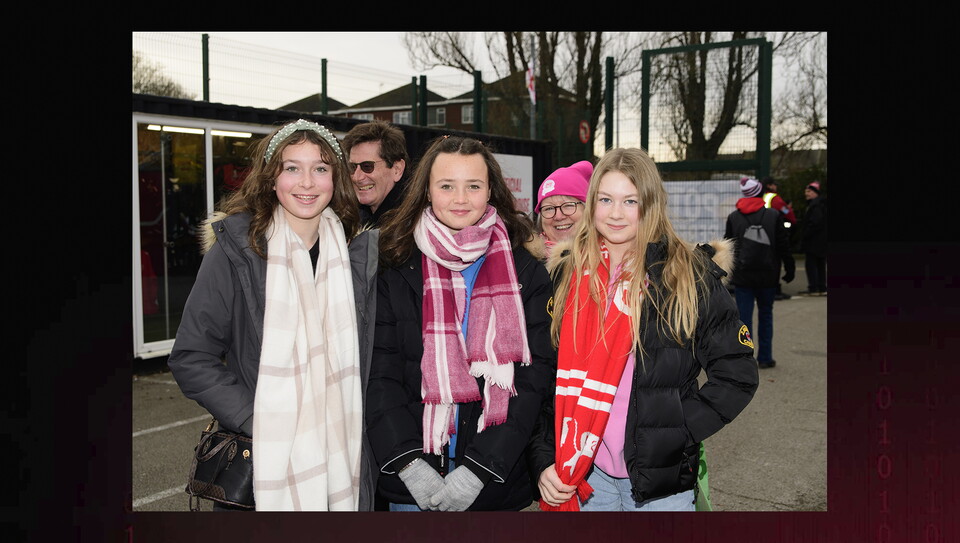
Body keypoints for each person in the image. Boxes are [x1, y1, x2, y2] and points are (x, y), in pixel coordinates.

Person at [530, 147, 759, 512]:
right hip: (583, 474)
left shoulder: (688, 275)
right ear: (591, 204)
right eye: (605, 199)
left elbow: (737, 373)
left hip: (661, 485)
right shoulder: (566, 274)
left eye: (630, 200)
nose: (616, 213)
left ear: (650, 204)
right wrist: (543, 458)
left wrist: (677, 433)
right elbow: (544, 378)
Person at [168, 119, 378, 511]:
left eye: (320, 168)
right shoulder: (235, 253)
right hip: (265, 467)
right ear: (270, 178)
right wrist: (257, 421)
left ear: (336, 179)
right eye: (291, 168)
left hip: (344, 458)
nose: (307, 182)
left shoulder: (357, 257)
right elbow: (191, 357)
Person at [366, 135, 555, 511]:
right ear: (427, 191)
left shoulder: (526, 270)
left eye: (473, 186)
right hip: (412, 481)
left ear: (491, 191)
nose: (460, 198)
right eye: (446, 185)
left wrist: (479, 469)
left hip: (492, 482)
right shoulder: (395, 264)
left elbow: (532, 379)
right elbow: (379, 374)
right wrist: (408, 465)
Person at [725, 177, 796, 369]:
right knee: (766, 315)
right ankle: (765, 357)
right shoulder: (773, 216)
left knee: (743, 319)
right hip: (768, 275)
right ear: (760, 193)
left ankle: (745, 359)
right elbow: (783, 246)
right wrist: (790, 268)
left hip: (742, 276)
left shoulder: (734, 217)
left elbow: (728, 248)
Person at [341, 119, 408, 227]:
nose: (357, 177)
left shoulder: (411, 224)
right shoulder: (351, 217)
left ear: (397, 169)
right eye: (352, 167)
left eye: (367, 166)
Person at [533, 160, 593, 259]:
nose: (558, 216)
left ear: (588, 210)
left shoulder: (610, 258)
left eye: (568, 206)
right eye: (549, 208)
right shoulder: (526, 264)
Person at [760, 177, 796, 301]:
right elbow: (786, 211)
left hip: (762, 231)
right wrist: (791, 216)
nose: (776, 187)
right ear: (771, 185)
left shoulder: (761, 197)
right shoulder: (774, 198)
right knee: (775, 261)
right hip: (775, 231)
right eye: (775, 184)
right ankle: (774, 290)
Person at [799, 181, 827, 296]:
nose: (806, 194)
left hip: (814, 241)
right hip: (821, 240)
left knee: (811, 264)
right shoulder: (821, 204)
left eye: (809, 191)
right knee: (820, 264)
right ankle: (822, 287)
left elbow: (815, 222)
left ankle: (814, 287)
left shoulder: (815, 206)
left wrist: (805, 233)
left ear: (816, 193)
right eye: (806, 191)